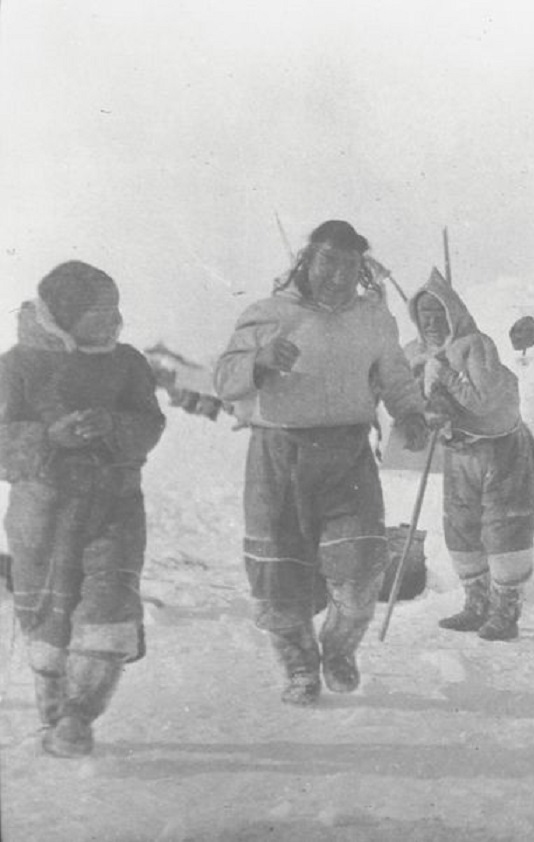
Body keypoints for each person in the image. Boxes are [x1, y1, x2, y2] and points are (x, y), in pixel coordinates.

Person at [214, 220, 430, 705]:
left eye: (350, 265)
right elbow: (226, 380)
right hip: (278, 458)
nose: (338, 275)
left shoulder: (372, 317)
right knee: (279, 580)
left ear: (362, 269)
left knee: (359, 575)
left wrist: (411, 412)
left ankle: (336, 651)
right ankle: (299, 670)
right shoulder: (267, 314)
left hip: (347, 456)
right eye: (328, 262)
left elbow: (393, 374)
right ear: (306, 261)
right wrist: (261, 360)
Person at [0, 261, 166, 757]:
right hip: (42, 511)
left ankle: (79, 715)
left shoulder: (128, 362)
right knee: (50, 618)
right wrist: (47, 437)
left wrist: (112, 425)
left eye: (115, 312)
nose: (111, 323)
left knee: (108, 604)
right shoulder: (16, 366)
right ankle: (54, 712)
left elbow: (149, 422)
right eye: (97, 314)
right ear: (65, 314)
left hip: (113, 502)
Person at [405, 268, 534, 641]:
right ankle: (476, 605)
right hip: (460, 449)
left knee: (503, 527)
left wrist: (445, 375)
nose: (431, 321)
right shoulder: (418, 351)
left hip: (502, 449)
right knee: (461, 529)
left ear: (452, 312)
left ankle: (505, 613)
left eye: (438, 312)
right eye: (424, 314)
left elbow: (483, 400)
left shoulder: (475, 345)